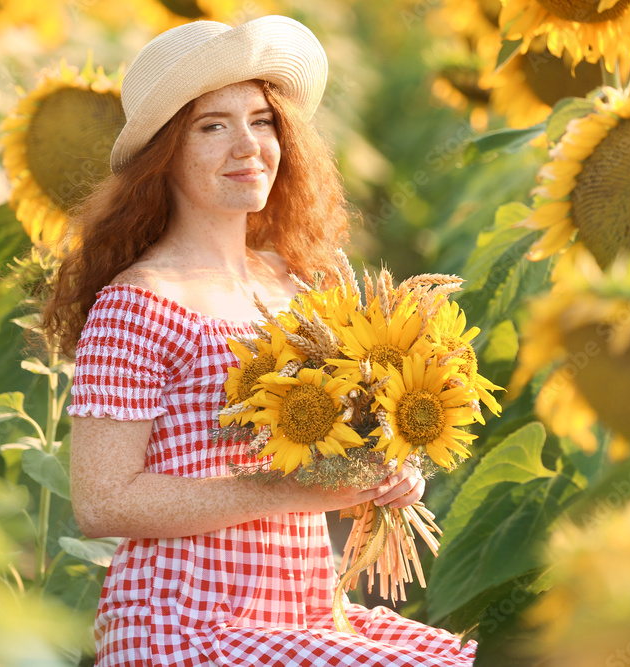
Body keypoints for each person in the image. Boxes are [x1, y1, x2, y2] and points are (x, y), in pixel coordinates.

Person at [41, 15, 476, 667]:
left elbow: (326, 449)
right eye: (212, 126)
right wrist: (296, 492)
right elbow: (103, 501)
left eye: (262, 120)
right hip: (182, 624)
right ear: (166, 153)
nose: (248, 145)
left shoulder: (293, 289)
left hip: (296, 612)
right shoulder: (137, 302)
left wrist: (380, 471)